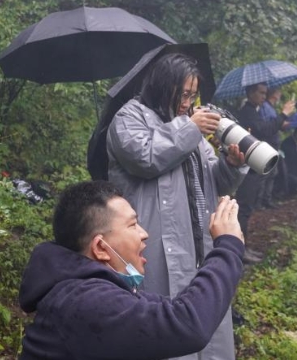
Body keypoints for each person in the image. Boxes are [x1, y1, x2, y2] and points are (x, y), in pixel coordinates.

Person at [106, 53, 248, 360]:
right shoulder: (128, 118)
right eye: (183, 94)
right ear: (162, 85)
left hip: (199, 244)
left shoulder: (186, 125)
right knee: (161, 327)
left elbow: (214, 181)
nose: (188, 102)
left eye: (193, 95)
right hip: (152, 247)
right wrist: (190, 127)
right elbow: (146, 158)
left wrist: (232, 165)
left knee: (205, 319)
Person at [18, 181, 245, 360]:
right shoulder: (84, 301)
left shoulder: (88, 290)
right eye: (132, 225)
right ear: (100, 247)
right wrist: (228, 246)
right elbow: (187, 324)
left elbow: (174, 312)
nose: (144, 233)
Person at [235, 82, 289, 263]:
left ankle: (244, 247)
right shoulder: (247, 112)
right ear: (250, 92)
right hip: (246, 167)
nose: (264, 96)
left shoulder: (255, 110)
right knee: (243, 208)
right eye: (261, 93)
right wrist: (283, 114)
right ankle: (239, 250)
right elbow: (264, 130)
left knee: (247, 208)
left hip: (253, 164)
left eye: (266, 93)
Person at [257, 87, 295, 209]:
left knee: (273, 173)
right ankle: (259, 201)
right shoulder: (265, 108)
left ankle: (267, 199)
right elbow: (269, 127)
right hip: (268, 144)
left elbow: (276, 124)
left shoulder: (271, 108)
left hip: (274, 144)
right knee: (265, 173)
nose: (280, 94)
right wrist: (284, 114)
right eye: (279, 91)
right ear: (274, 94)